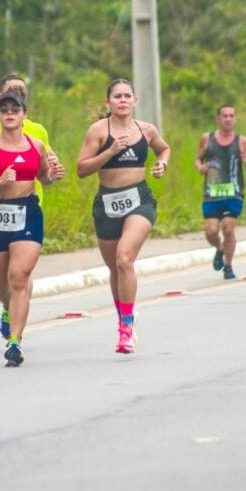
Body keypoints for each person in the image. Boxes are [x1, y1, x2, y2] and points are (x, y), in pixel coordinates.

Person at [0, 90, 64, 367]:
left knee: (19, 276)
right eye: (4, 109)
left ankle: (15, 343)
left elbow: (45, 177)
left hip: (28, 212)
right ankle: (8, 308)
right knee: (0, 287)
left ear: (24, 115)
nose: (9, 114)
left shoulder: (37, 145)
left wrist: (53, 175)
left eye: (14, 110)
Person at [76, 78, 171, 355]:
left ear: (135, 101)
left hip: (139, 200)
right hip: (106, 204)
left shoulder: (146, 130)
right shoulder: (97, 131)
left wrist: (161, 164)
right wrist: (110, 151)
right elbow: (81, 169)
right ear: (109, 102)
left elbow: (163, 149)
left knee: (124, 259)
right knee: (114, 269)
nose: (122, 100)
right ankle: (124, 314)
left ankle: (126, 329)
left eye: (127, 96)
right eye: (117, 96)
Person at [195, 104, 246, 281]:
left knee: (228, 228)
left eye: (231, 116)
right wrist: (201, 168)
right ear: (218, 119)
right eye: (224, 116)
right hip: (212, 193)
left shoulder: (242, 141)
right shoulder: (207, 139)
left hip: (234, 192)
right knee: (211, 231)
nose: (228, 119)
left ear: (235, 119)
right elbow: (198, 159)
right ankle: (220, 248)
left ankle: (228, 266)